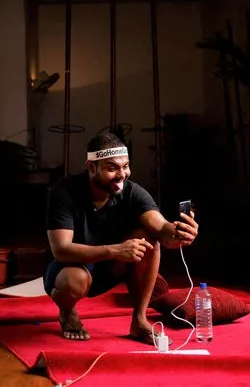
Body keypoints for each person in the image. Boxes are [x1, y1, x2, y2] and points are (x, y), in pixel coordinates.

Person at [43, 132, 199, 344]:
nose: (122, 174)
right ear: (91, 168)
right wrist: (115, 250)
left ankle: (139, 320)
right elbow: (61, 249)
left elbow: (161, 228)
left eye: (125, 166)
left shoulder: (133, 192)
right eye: (112, 168)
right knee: (73, 280)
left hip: (111, 267)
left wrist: (179, 233)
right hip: (71, 268)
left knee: (148, 238)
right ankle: (67, 311)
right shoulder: (64, 192)